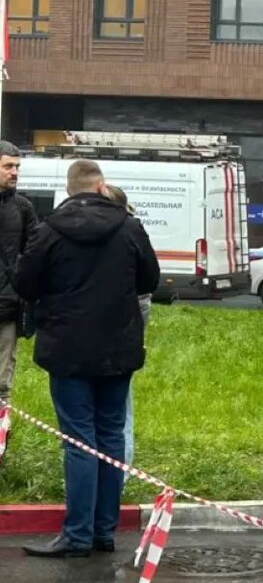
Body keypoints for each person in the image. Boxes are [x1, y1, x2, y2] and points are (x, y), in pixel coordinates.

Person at [16, 160, 159, 558]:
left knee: (79, 442)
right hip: (118, 348)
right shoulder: (130, 227)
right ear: (101, 186)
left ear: (69, 190)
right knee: (111, 436)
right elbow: (150, 279)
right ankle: (102, 532)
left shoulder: (49, 230)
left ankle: (77, 535)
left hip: (67, 348)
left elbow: (24, 282)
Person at [102, 185, 153, 477]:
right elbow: (147, 287)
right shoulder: (134, 231)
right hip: (125, 337)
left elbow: (145, 291)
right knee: (120, 410)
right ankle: (118, 476)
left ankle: (117, 475)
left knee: (116, 412)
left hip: (108, 338)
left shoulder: (126, 233)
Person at [0, 141, 37, 407]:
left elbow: (35, 252)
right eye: (8, 166)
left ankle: (2, 427)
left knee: (3, 379)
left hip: (8, 304)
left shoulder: (23, 207)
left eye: (17, 167)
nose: (14, 172)